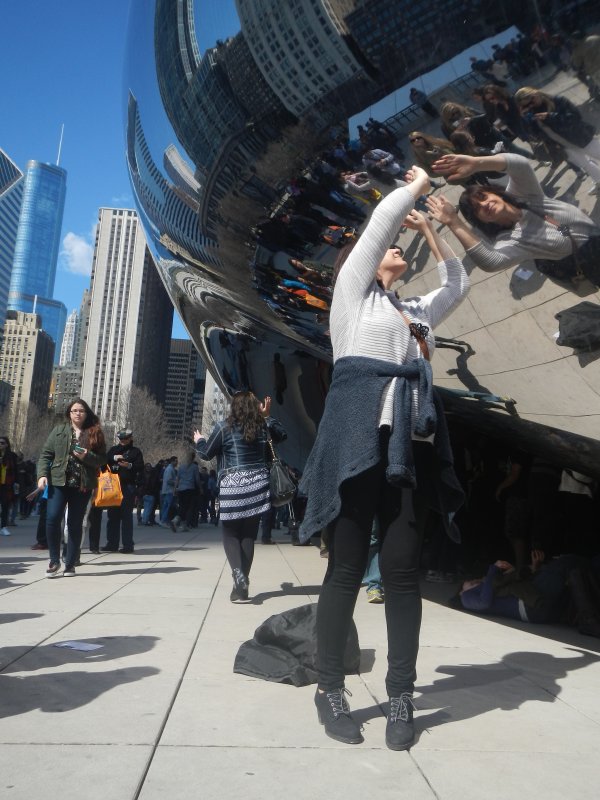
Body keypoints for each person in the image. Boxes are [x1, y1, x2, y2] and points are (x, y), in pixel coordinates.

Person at [298, 166, 469, 751]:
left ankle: (401, 695)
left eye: (403, 244)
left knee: (400, 571)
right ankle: (328, 688)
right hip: (355, 447)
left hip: (405, 452)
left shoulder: (413, 313)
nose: (397, 246)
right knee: (345, 570)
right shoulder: (352, 297)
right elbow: (378, 223)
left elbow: (457, 286)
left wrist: (437, 231)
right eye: (391, 246)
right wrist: (416, 187)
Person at [429, 153, 600, 286]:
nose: (484, 204)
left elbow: (520, 165)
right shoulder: (511, 241)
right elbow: (492, 263)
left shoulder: (525, 195)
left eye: (482, 196)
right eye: (477, 209)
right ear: (481, 221)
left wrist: (477, 163)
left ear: (494, 192)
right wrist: (453, 221)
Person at [193, 392, 286, 602]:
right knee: (248, 535)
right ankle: (241, 588)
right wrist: (267, 416)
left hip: (233, 484)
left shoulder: (223, 428)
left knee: (230, 533)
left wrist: (200, 440)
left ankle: (238, 574)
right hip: (258, 484)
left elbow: (206, 454)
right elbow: (282, 435)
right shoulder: (262, 426)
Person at [37, 398, 107, 577]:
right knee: (52, 518)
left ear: (86, 413)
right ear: (69, 412)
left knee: (74, 524)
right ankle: (54, 560)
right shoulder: (59, 431)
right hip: (58, 482)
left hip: (82, 485)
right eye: (74, 410)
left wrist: (87, 456)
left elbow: (102, 460)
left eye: (81, 410)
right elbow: (46, 454)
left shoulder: (95, 433)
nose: (78, 413)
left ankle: (70, 564)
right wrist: (42, 475)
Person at [513, 87, 600, 194]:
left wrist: (550, 116)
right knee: (585, 164)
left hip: (580, 137)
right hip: (563, 145)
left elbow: (575, 117)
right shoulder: (532, 113)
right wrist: (524, 119)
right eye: (526, 105)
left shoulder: (558, 100)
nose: (530, 106)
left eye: (531, 102)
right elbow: (536, 136)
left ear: (534, 94)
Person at [102, 429, 144, 553]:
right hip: (113, 486)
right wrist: (114, 457)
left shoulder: (135, 452)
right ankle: (112, 543)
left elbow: (140, 467)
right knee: (112, 516)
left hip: (128, 486)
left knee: (126, 517)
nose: (123, 441)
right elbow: (104, 460)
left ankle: (127, 545)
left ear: (130, 438)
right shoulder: (113, 450)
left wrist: (129, 465)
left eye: (125, 439)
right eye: (121, 439)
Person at [0, 436, 17, 537]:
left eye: (2, 443)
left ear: (7, 444)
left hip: (6, 484)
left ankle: (3, 527)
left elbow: (15, 470)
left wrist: (17, 483)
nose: (0, 445)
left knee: (5, 505)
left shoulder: (11, 456)